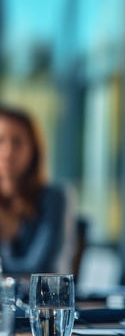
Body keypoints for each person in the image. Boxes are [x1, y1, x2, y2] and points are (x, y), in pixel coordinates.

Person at [0, 105, 73, 274]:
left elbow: (42, 270)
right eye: (0, 140)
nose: (7, 152)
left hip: (41, 299)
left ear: (34, 149)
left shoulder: (55, 197)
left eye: (17, 142)